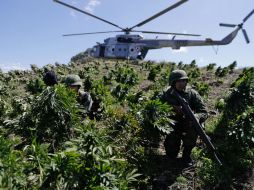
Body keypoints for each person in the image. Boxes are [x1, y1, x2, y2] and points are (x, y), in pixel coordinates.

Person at [161, 69, 208, 167]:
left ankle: (186, 155)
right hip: (172, 124)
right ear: (173, 83)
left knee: (194, 127)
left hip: (188, 124)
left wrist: (196, 117)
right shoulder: (166, 94)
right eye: (178, 81)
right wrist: (171, 109)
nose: (182, 83)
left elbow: (204, 112)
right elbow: (157, 109)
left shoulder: (192, 94)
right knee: (171, 154)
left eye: (184, 81)